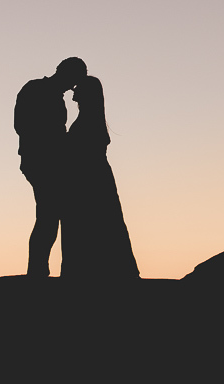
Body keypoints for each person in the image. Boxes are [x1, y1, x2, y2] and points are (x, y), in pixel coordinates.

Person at [61, 75, 140, 280]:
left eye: (77, 90)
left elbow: (81, 150)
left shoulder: (88, 120)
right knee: (101, 224)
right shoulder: (90, 118)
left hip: (89, 179)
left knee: (92, 223)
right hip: (93, 177)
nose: (73, 94)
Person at [15, 56, 87, 277]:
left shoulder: (57, 98)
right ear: (61, 71)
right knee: (48, 215)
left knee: (52, 215)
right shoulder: (35, 88)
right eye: (73, 79)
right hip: (40, 162)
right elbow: (22, 125)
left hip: (54, 163)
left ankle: (44, 268)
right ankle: (37, 269)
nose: (72, 86)